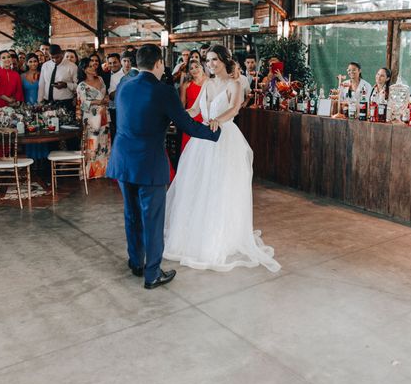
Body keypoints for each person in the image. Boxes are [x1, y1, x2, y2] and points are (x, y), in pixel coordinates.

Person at [106, 44, 221, 289]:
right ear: (158, 63)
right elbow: (187, 125)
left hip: (123, 160)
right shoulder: (164, 91)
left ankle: (136, 262)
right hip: (148, 163)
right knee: (153, 218)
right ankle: (152, 273)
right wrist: (215, 133)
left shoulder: (124, 84)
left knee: (132, 214)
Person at [164, 44, 281, 273]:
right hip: (203, 139)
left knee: (220, 187)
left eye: (214, 60)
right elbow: (196, 110)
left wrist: (218, 119)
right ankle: (197, 233)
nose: (210, 65)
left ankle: (219, 237)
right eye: (208, 61)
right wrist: (176, 116)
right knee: (199, 186)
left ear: (225, 61)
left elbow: (235, 109)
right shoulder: (206, 83)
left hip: (224, 138)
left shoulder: (234, 84)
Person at [76, 53, 110, 179]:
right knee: (92, 143)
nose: (94, 67)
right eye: (90, 66)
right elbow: (83, 104)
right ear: (84, 70)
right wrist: (98, 102)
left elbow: (104, 94)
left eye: (94, 65)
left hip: (104, 114)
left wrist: (105, 99)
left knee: (104, 142)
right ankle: (90, 171)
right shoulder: (82, 85)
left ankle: (103, 170)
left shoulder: (100, 79)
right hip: (91, 117)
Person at [21, 53, 49, 160]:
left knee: (42, 131)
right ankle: (31, 158)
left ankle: (43, 158)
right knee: (30, 132)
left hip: (41, 106)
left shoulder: (43, 74)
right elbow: (20, 92)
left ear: (38, 62)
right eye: (30, 61)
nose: (33, 63)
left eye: (35, 61)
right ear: (27, 63)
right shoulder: (22, 76)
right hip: (27, 107)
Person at [38, 44, 78, 111]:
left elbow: (78, 86)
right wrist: (39, 101)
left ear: (61, 54)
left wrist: (66, 85)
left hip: (65, 103)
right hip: (47, 102)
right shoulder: (45, 66)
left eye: (57, 57)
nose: (55, 60)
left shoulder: (72, 67)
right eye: (52, 58)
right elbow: (42, 84)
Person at [179, 60, 208, 151]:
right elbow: (182, 104)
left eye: (196, 66)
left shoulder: (210, 82)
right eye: (191, 68)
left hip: (205, 118)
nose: (194, 70)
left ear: (202, 67)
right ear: (189, 72)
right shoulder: (186, 85)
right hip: (191, 118)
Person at [107, 53, 124, 139]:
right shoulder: (106, 75)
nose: (112, 65)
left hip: (120, 109)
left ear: (120, 62)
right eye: (110, 63)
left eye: (115, 62)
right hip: (109, 108)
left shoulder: (124, 75)